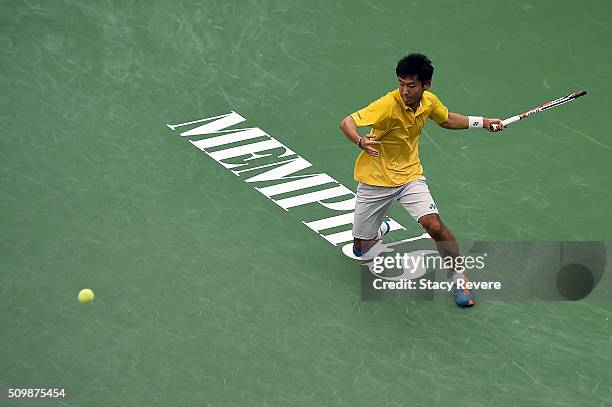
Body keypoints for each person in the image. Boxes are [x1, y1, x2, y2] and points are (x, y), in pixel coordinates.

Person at [339, 53, 504, 307]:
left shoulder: (429, 102)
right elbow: (347, 122)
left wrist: (483, 122)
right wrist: (360, 141)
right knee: (361, 249)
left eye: (411, 85)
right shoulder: (387, 104)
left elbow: (446, 118)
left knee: (434, 226)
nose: (405, 91)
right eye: (401, 84)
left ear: (426, 85)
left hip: (409, 175)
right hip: (375, 179)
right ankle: (378, 231)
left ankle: (458, 277)